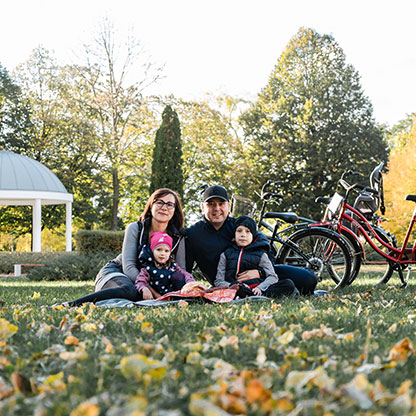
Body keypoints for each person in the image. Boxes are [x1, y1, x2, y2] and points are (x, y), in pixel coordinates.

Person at [60, 188, 186, 307]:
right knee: (131, 291)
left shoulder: (178, 237)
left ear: (175, 210)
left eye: (170, 204)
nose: (164, 208)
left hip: (147, 282)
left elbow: (180, 271)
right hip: (117, 273)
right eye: (159, 202)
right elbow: (129, 267)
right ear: (151, 205)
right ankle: (71, 304)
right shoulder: (135, 229)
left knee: (140, 296)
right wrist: (150, 290)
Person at [185, 185, 317, 296]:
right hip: (229, 284)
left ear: (229, 206)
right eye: (211, 204)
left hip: (260, 275)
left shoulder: (240, 225)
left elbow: (266, 249)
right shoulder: (193, 234)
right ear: (203, 207)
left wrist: (260, 272)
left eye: (221, 204)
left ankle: (277, 290)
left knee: (309, 279)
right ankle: (269, 293)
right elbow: (185, 269)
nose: (217, 208)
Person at [214, 215, 280, 298]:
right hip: (237, 288)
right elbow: (219, 281)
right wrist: (233, 286)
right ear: (234, 234)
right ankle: (247, 296)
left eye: (247, 231)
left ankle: (257, 296)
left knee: (287, 284)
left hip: (258, 288)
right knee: (239, 290)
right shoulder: (226, 254)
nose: (243, 235)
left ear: (253, 235)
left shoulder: (261, 254)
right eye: (239, 231)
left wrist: (260, 288)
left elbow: (272, 277)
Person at [135, 231, 194, 299]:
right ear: (152, 251)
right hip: (156, 295)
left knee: (177, 275)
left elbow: (186, 274)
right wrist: (144, 289)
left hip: (174, 293)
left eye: (166, 251)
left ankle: (184, 296)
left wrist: (190, 283)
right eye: (159, 250)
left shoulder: (172, 265)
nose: (162, 253)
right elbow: (140, 281)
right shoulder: (147, 267)